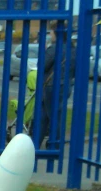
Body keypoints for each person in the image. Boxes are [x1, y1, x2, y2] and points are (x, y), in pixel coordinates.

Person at [38, 21, 75, 149]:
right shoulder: (72, 48)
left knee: (53, 116)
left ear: (57, 34)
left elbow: (42, 65)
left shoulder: (54, 48)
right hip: (65, 85)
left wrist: (44, 51)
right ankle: (36, 142)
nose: (50, 35)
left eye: (51, 32)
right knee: (45, 115)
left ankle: (54, 144)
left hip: (51, 86)